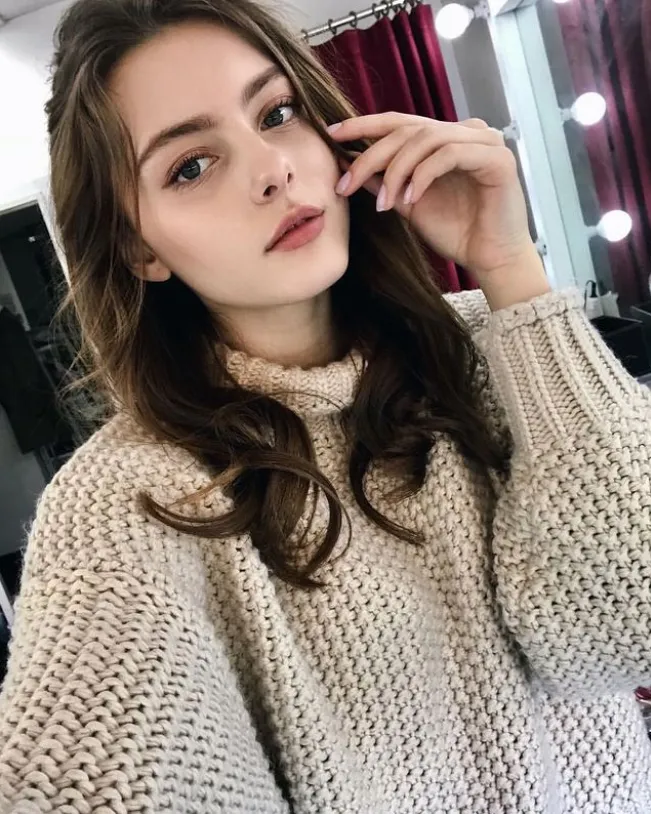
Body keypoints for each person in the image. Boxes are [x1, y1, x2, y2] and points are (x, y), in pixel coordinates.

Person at [0, 0, 650, 811]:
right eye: (191, 166)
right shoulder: (130, 501)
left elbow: (629, 627)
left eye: (277, 114)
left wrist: (510, 267)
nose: (272, 168)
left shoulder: (493, 346)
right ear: (138, 247)